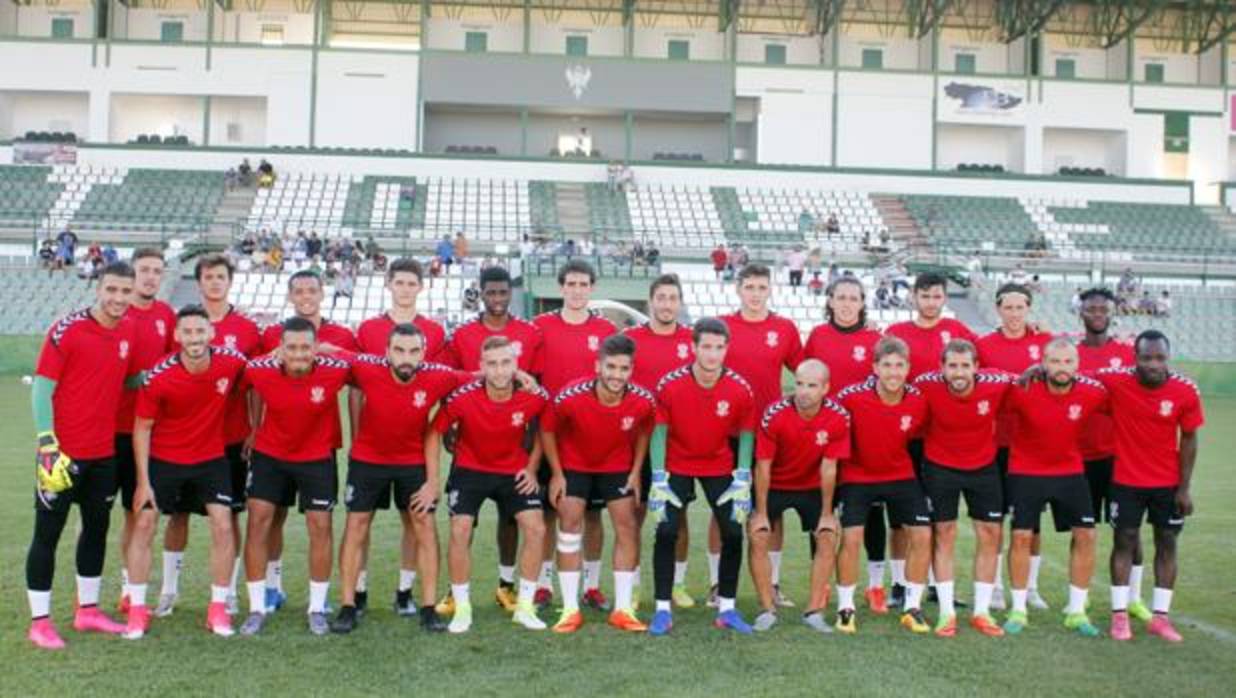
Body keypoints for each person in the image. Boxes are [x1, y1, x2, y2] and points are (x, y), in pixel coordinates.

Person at [27, 262, 140, 650]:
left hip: (103, 455)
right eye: (112, 290)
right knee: (48, 535)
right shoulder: (67, 330)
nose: (118, 299)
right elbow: (42, 389)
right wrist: (46, 444)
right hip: (60, 454)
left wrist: (160, 375)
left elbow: (126, 380)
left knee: (95, 532)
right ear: (99, 287)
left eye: (126, 292)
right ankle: (39, 621)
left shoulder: (128, 330)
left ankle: (87, 611)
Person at [330, 325, 469, 634]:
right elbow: (329, 350)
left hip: (412, 462)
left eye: (414, 351)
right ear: (387, 352)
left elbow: (479, 377)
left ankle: (429, 608)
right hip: (367, 461)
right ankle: (349, 605)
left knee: (423, 526)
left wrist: (519, 377)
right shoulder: (367, 366)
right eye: (399, 351)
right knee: (356, 525)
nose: (406, 358)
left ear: (424, 352)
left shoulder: (438, 375)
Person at [122, 307, 247, 639]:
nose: (194, 338)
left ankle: (218, 609)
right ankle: (136, 611)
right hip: (165, 460)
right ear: (177, 336)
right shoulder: (159, 377)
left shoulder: (230, 363)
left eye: (200, 331)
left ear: (211, 334)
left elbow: (260, 377)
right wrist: (144, 482)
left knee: (223, 524)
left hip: (211, 459)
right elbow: (142, 429)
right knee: (145, 522)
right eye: (187, 332)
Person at [156, 255, 262, 619]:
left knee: (229, 516)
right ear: (199, 282)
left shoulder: (247, 328)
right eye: (208, 277)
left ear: (229, 282)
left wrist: (254, 426)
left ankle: (228, 591)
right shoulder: (182, 324)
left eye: (220, 276)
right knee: (177, 517)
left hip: (229, 439)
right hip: (183, 442)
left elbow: (255, 384)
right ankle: (169, 590)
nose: (214, 282)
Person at [437, 264, 543, 616]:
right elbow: (451, 381)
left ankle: (506, 585)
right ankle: (456, 592)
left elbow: (535, 386)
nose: (497, 298)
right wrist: (450, 426)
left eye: (502, 292)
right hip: (471, 435)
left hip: (517, 436)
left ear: (510, 292)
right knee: (464, 520)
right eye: (490, 292)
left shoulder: (529, 332)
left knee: (512, 519)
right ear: (480, 293)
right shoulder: (464, 334)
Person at [238, 318, 352, 636]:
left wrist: (334, 348)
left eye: (306, 347)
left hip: (316, 458)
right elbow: (243, 369)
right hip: (270, 456)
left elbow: (370, 363)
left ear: (315, 348)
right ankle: (257, 607)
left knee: (320, 527)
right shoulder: (260, 369)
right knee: (258, 522)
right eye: (292, 347)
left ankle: (316, 608)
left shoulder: (335, 369)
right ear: (281, 348)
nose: (299, 354)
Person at [430, 337, 550, 633]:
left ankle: (524, 607)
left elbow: (546, 431)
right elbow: (434, 433)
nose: (499, 371)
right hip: (470, 469)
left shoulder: (534, 395)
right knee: (460, 529)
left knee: (537, 528)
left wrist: (532, 468)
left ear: (516, 365)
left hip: (513, 471)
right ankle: (463, 606)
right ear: (481, 367)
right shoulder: (462, 397)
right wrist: (432, 480)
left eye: (506, 363)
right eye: (492, 364)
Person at [647, 318, 757, 636]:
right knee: (666, 531)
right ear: (693, 347)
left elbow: (747, 434)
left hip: (719, 465)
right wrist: (658, 477)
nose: (712, 354)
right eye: (706, 347)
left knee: (734, 533)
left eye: (719, 347)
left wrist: (743, 477)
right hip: (677, 464)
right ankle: (662, 610)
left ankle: (727, 608)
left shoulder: (739, 387)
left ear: (727, 349)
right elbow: (659, 432)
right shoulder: (671, 384)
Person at [352, 259, 448, 617]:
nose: (405, 288)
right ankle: (358, 591)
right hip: (371, 448)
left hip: (413, 448)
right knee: (362, 520)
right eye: (400, 282)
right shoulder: (369, 328)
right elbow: (357, 387)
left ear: (421, 287)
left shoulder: (434, 332)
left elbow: (437, 382)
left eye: (412, 283)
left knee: (415, 519)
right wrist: (358, 429)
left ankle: (405, 591)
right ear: (388, 285)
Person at [257, 271, 358, 613]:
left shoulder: (341, 334)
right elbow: (258, 380)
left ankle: (321, 597)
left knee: (320, 523)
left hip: (320, 445)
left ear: (322, 293)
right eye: (298, 291)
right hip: (275, 445)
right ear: (290, 296)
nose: (305, 296)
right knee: (273, 517)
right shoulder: (273, 334)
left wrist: (331, 350)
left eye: (311, 290)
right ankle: (272, 586)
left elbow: (360, 376)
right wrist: (254, 428)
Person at [541, 335, 655, 633]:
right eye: (611, 367)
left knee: (627, 527)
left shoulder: (642, 400)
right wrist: (557, 473)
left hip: (617, 467)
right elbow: (548, 430)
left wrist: (636, 470)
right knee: (569, 525)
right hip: (574, 467)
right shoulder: (570, 396)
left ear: (632, 370)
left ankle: (622, 609)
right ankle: (569, 609)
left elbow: (645, 430)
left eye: (624, 368)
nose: (617, 375)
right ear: (598, 366)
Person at [1097, 330, 1203, 642]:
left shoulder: (1185, 390)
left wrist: (1184, 488)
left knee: (1167, 543)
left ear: (1167, 357)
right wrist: (1039, 369)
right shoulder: (1116, 380)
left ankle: (1160, 617)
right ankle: (1119, 616)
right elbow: (1074, 373)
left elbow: (1190, 437)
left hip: (1167, 484)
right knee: (1124, 542)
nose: (1154, 364)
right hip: (1125, 480)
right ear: (1136, 358)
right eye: (1146, 358)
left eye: (1159, 357)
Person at [1002, 339, 1107, 638]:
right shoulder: (1022, 387)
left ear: (1077, 364)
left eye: (1068, 362)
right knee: (1021, 536)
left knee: (1086, 534)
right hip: (1025, 471)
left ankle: (1076, 611)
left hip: (1070, 472)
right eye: (1055, 361)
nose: (1062, 368)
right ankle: (1018, 609)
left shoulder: (1093, 391)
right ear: (1044, 363)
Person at [883, 272, 976, 609]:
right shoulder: (897, 334)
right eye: (925, 296)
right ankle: (897, 583)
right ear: (914, 298)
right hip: (904, 435)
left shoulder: (959, 333)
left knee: (937, 516)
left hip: (940, 439)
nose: (931, 302)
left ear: (945, 298)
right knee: (900, 516)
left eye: (937, 296)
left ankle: (937, 583)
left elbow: (980, 367)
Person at [532, 260, 618, 610]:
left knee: (593, 515)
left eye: (584, 284)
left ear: (592, 288)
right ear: (561, 287)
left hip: (593, 437)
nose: (578, 290)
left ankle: (592, 585)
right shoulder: (541, 327)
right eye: (571, 283)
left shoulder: (607, 329)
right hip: (550, 434)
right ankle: (543, 583)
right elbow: (532, 379)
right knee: (550, 512)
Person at [912, 339, 1012, 638]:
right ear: (941, 367)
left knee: (990, 534)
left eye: (965, 366)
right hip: (940, 467)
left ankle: (982, 612)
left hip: (983, 467)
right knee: (944, 533)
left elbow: (1023, 378)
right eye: (952, 366)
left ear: (976, 367)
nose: (959, 372)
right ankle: (947, 613)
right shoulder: (926, 384)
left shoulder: (995, 383)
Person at [833, 337, 932, 635]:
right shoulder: (850, 397)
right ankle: (845, 608)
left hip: (900, 474)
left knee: (923, 536)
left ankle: (912, 607)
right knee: (851, 538)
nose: (893, 372)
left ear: (908, 368)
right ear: (875, 367)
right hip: (857, 476)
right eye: (886, 365)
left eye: (899, 365)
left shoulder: (917, 400)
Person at [801, 276, 888, 611]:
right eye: (841, 297)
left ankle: (876, 586)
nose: (848, 303)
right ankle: (821, 585)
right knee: (821, 512)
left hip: (866, 437)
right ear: (831, 301)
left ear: (863, 302)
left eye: (854, 298)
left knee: (871, 511)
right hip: (823, 438)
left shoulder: (875, 339)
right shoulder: (819, 336)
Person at [749, 360, 850, 633]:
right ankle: (767, 608)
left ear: (826, 388)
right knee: (758, 534)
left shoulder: (838, 416)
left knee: (828, 536)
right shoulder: (775, 414)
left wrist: (828, 514)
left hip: (813, 486)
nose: (804, 391)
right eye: (800, 384)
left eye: (812, 386)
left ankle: (814, 611)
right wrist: (759, 512)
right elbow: (763, 466)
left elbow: (830, 467)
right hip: (775, 484)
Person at [976, 282, 1051, 611]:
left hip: (1034, 445)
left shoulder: (1045, 342)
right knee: (995, 521)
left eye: (1020, 307)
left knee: (1030, 523)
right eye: (1009, 307)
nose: (1015, 314)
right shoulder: (984, 345)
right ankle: (993, 586)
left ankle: (1031, 587)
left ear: (1029, 309)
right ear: (998, 309)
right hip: (996, 445)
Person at [623, 274, 696, 608]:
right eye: (661, 297)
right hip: (637, 440)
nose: (667, 304)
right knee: (634, 515)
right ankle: (634, 585)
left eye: (672, 298)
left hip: (678, 444)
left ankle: (677, 584)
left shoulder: (692, 340)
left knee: (677, 516)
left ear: (679, 303)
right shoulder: (630, 338)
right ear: (651, 301)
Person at [1073, 288, 1146, 618]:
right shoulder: (1070, 354)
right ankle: (1081, 595)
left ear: (1113, 312)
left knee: (1128, 531)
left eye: (1103, 308)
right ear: (1082, 313)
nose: (1098, 313)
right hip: (1080, 456)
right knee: (1083, 530)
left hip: (1120, 457)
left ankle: (1134, 597)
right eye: (1092, 309)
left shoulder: (1129, 354)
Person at [112, 249, 177, 616]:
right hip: (111, 431)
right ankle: (85, 592)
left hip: (151, 433)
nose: (150, 277)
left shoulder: (166, 315)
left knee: (140, 512)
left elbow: (170, 366)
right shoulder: (118, 314)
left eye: (157, 271)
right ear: (131, 274)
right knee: (97, 514)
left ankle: (129, 589)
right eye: (144, 270)